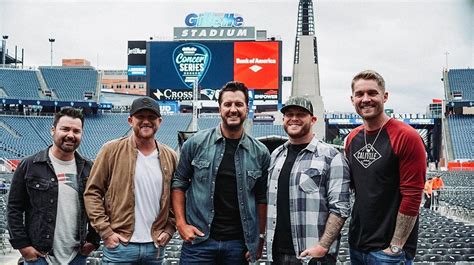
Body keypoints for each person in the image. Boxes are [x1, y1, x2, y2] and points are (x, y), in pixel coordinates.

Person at [171, 81, 270, 264]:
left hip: (238, 244)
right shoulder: (196, 143)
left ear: (247, 108)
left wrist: (260, 238)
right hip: (199, 242)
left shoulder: (260, 152)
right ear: (220, 109)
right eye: (228, 104)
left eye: (239, 104)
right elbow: (179, 183)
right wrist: (181, 224)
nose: (233, 109)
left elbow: (261, 197)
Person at [345, 70, 426, 264]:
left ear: (385, 96)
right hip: (357, 244)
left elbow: (413, 195)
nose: (366, 99)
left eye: (372, 93)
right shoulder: (351, 139)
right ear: (352, 99)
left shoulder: (406, 136)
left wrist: (396, 246)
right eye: (359, 94)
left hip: (388, 252)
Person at [84, 96, 177, 264]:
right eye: (140, 117)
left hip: (155, 246)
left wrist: (170, 229)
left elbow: (177, 198)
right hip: (120, 247)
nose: (146, 121)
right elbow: (92, 193)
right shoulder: (111, 150)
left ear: (160, 121)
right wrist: (106, 232)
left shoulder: (170, 156)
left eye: (151, 117)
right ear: (130, 120)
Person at [7, 108, 100, 265]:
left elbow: (99, 207)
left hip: (77, 256)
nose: (70, 135)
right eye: (65, 129)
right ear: (53, 130)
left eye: (76, 131)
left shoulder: (89, 168)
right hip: (39, 256)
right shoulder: (29, 165)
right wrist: (23, 246)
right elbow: (14, 208)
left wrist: (93, 240)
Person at [266, 96, 351, 265]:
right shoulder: (276, 155)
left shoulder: (331, 157)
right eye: (289, 114)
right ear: (283, 119)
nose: (294, 118)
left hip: (312, 255)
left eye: (301, 114)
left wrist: (323, 246)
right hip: (277, 253)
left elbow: (340, 208)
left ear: (313, 120)